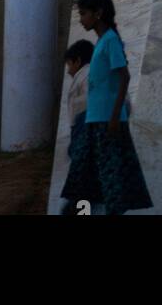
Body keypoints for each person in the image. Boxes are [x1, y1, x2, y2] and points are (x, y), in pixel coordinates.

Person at [61, 0, 152, 215]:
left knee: (111, 178)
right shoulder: (102, 41)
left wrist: (114, 116)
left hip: (106, 120)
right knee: (87, 174)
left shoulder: (110, 40)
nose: (81, 20)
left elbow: (124, 76)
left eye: (84, 14)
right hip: (96, 119)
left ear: (98, 13)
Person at [60, 38, 93, 215]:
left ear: (78, 61)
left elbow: (87, 111)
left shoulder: (86, 76)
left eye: (69, 65)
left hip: (87, 145)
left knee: (81, 199)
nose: (68, 71)